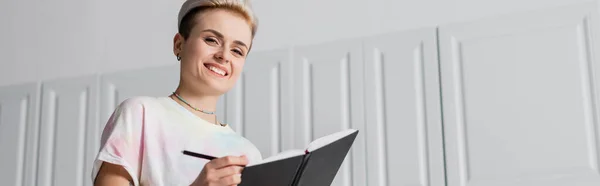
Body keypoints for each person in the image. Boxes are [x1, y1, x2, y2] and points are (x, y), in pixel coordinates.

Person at [91, 0, 262, 185]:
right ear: (179, 44)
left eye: (237, 50)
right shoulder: (140, 114)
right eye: (211, 40)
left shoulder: (249, 154)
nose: (224, 55)